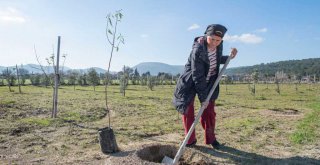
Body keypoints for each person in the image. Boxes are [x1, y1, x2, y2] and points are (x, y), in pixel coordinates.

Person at [172, 24, 237, 149]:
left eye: (218, 40)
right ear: (206, 35)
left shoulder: (218, 46)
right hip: (190, 82)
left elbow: (215, 60)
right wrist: (203, 98)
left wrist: (229, 57)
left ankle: (211, 138)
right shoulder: (198, 50)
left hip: (209, 83)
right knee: (188, 111)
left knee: (209, 113)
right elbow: (197, 75)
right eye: (212, 39)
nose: (214, 43)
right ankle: (190, 141)